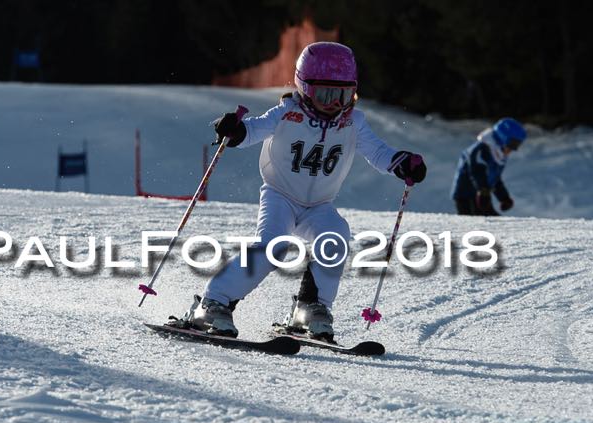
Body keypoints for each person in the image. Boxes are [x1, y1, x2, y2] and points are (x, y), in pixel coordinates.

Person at [176, 42, 427, 341]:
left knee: (335, 237)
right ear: (304, 89)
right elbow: (254, 130)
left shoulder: (353, 123)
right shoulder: (287, 113)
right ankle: (213, 303)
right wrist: (235, 130)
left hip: (319, 205)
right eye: (324, 94)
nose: (333, 104)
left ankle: (311, 308)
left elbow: (378, 152)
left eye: (342, 95)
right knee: (273, 246)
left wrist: (401, 164)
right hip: (280, 196)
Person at [451, 118, 526, 216]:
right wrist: (483, 192)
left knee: (496, 222)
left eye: (517, 145)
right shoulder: (481, 149)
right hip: (466, 196)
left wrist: (504, 198)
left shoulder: (498, 154)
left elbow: (495, 178)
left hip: (481, 196)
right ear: (502, 137)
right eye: (513, 144)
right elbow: (477, 171)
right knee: (475, 224)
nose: (514, 149)